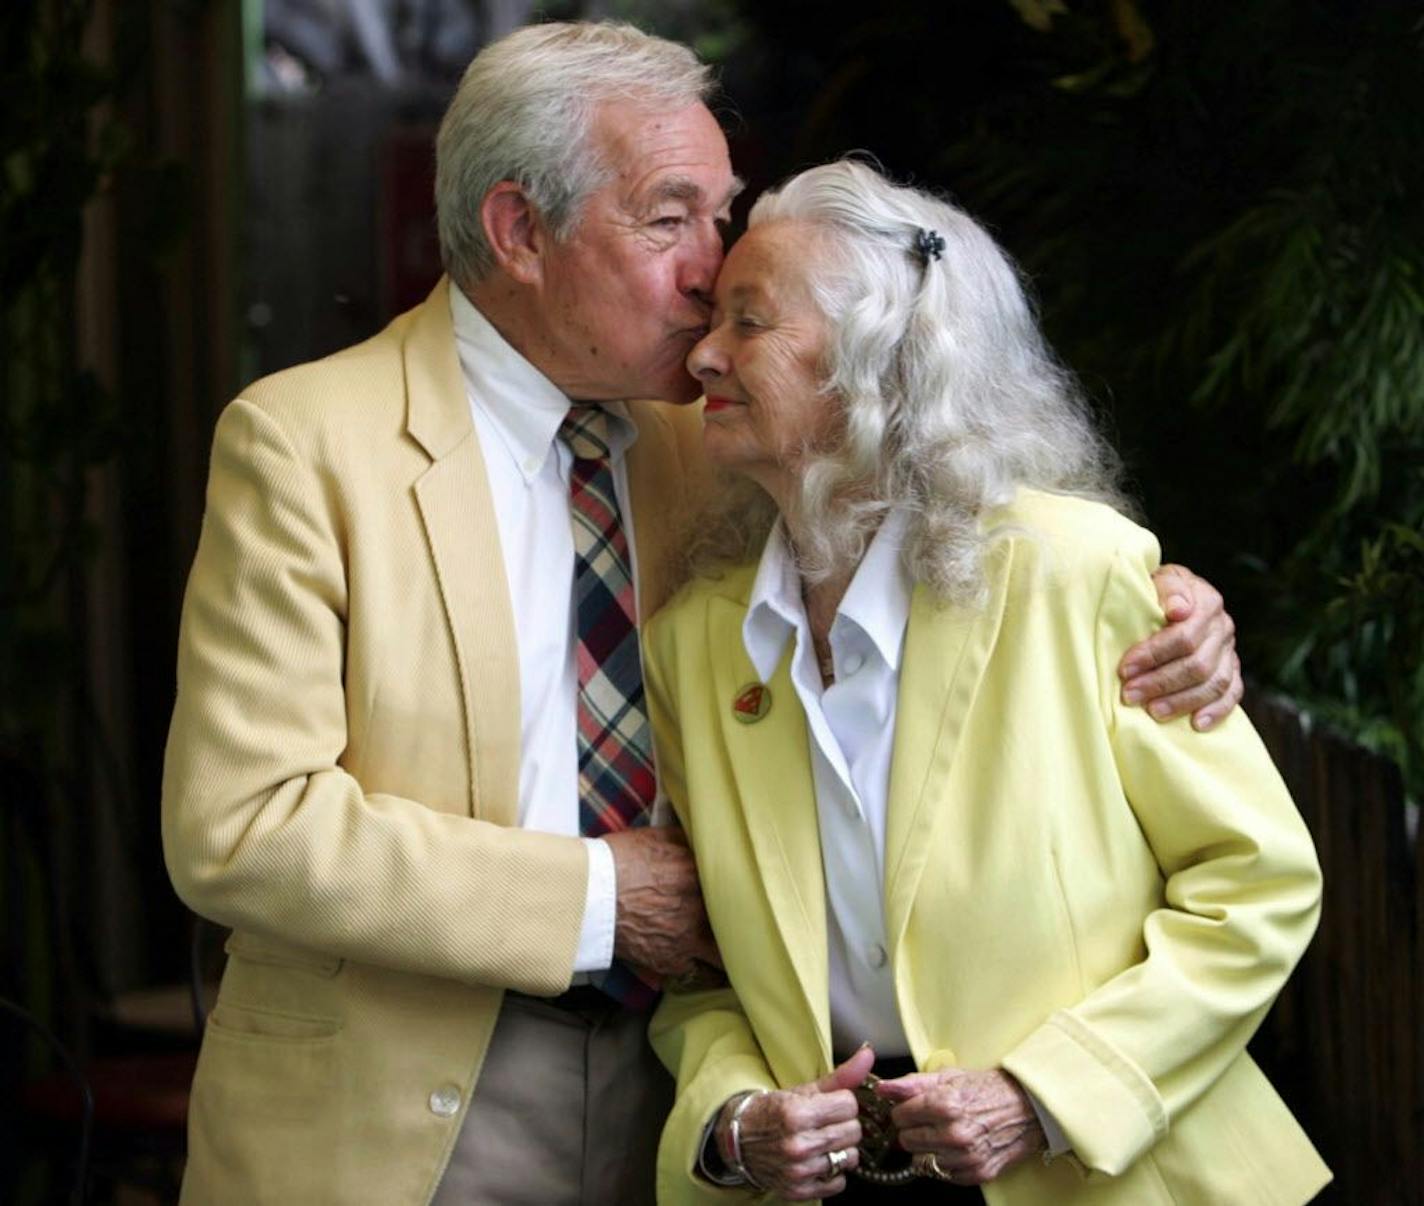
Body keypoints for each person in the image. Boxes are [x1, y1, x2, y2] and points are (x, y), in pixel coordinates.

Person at [161, 22, 1243, 1206]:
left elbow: (965, 546)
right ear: (519, 231)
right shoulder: (306, 441)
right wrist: (598, 902)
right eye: (667, 218)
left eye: (720, 218)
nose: (710, 269)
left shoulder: (726, 430)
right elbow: (242, 825)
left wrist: (1171, 610)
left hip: (690, 1100)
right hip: (396, 1105)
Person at [643, 159, 1329, 1205]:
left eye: (749, 322)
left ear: (877, 362)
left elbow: (1255, 884)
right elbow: (699, 966)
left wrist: (1044, 1093)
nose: (702, 354)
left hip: (1113, 1175)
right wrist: (734, 1121)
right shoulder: (694, 642)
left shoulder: (1073, 570)